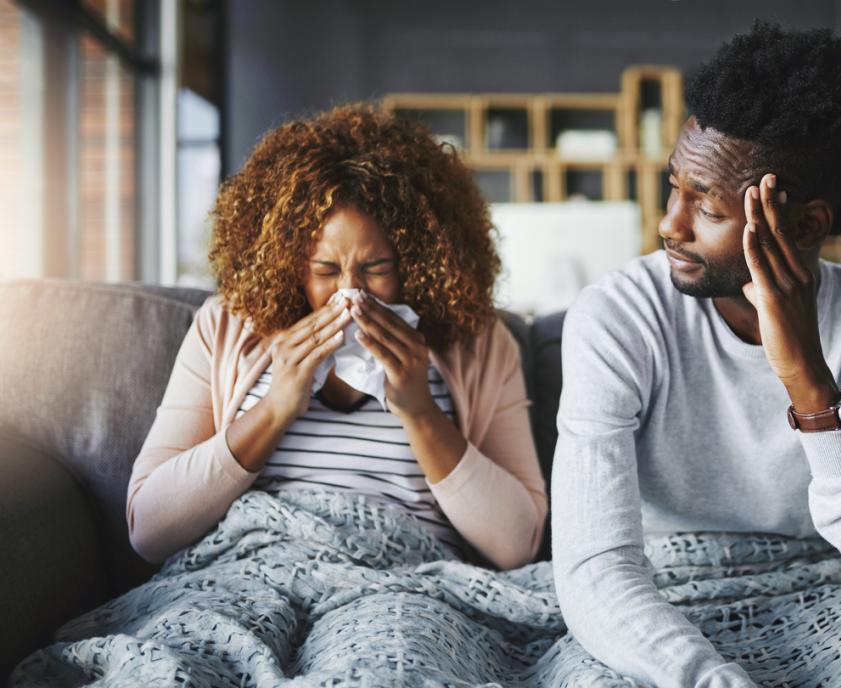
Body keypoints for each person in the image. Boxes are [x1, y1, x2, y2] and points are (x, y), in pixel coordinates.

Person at [552, 22, 841, 687]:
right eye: (673, 187)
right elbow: (595, 568)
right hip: (662, 610)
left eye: (705, 206)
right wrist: (709, 679)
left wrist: (812, 388)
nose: (668, 224)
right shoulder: (620, 316)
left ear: (807, 224)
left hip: (835, 598)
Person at [127, 103, 546, 570]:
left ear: (420, 264)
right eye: (325, 270)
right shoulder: (224, 327)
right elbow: (149, 527)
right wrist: (275, 407)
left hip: (403, 589)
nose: (350, 293)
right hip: (251, 568)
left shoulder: (481, 345)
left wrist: (420, 410)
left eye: (377, 269)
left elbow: (518, 545)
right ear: (288, 266)